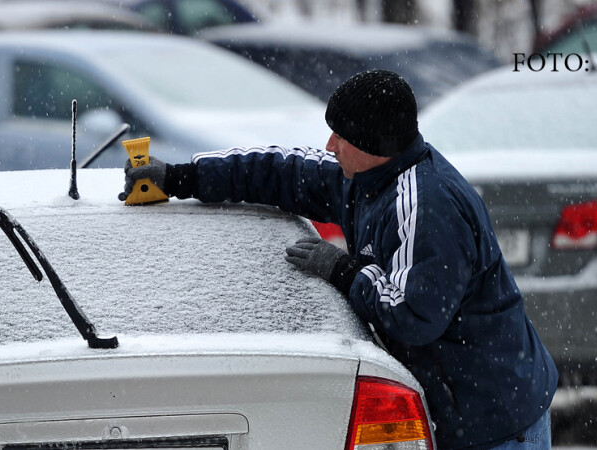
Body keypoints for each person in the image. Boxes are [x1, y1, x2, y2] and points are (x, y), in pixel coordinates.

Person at [118, 70, 558, 450]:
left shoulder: (426, 207)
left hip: (495, 421)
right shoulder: (365, 177)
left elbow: (414, 316)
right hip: (461, 407)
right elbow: (280, 171)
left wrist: (344, 270)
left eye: (340, 136)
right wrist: (182, 177)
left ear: (374, 144)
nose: (329, 145)